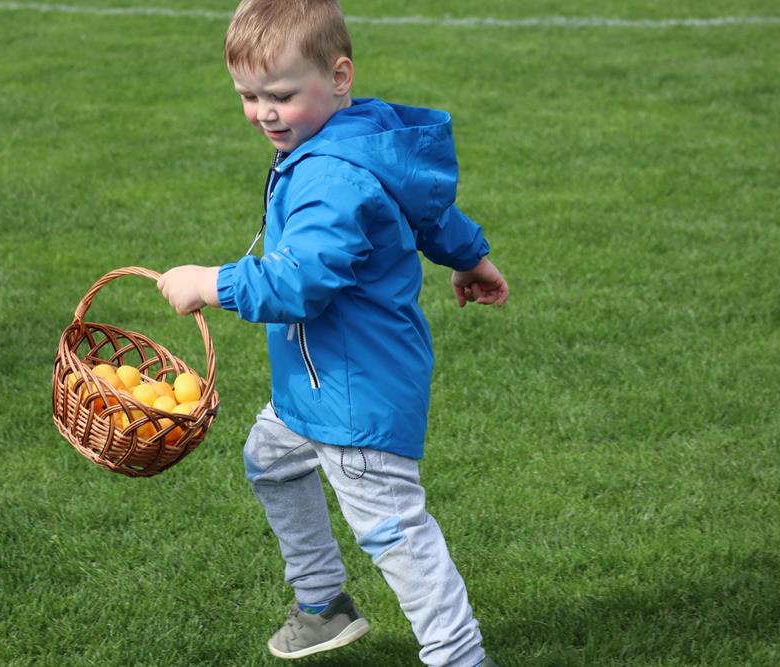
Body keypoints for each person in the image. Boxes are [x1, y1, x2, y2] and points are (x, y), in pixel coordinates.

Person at [156, 1, 508, 665]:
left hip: (351, 391)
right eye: (249, 96)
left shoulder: (330, 174)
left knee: (394, 530)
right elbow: (425, 206)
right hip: (316, 384)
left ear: (339, 76)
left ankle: (460, 656)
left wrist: (210, 282)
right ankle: (322, 605)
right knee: (270, 460)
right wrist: (468, 256)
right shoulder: (357, 139)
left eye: (281, 95)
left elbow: (300, 283)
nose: (264, 112)